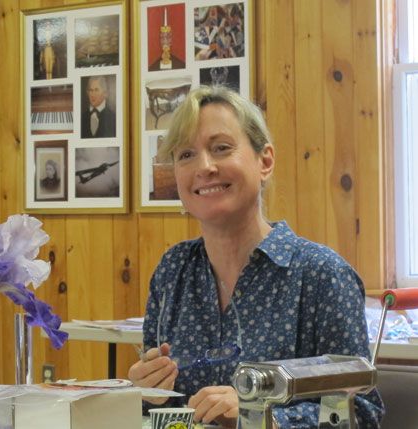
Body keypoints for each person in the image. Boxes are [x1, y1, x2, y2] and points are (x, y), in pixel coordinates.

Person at [128, 86, 384, 428]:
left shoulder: (323, 275)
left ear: (265, 161)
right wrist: (142, 393)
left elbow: (363, 414)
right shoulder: (172, 271)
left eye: (221, 148)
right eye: (186, 154)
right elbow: (155, 412)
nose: (204, 167)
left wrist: (262, 419)